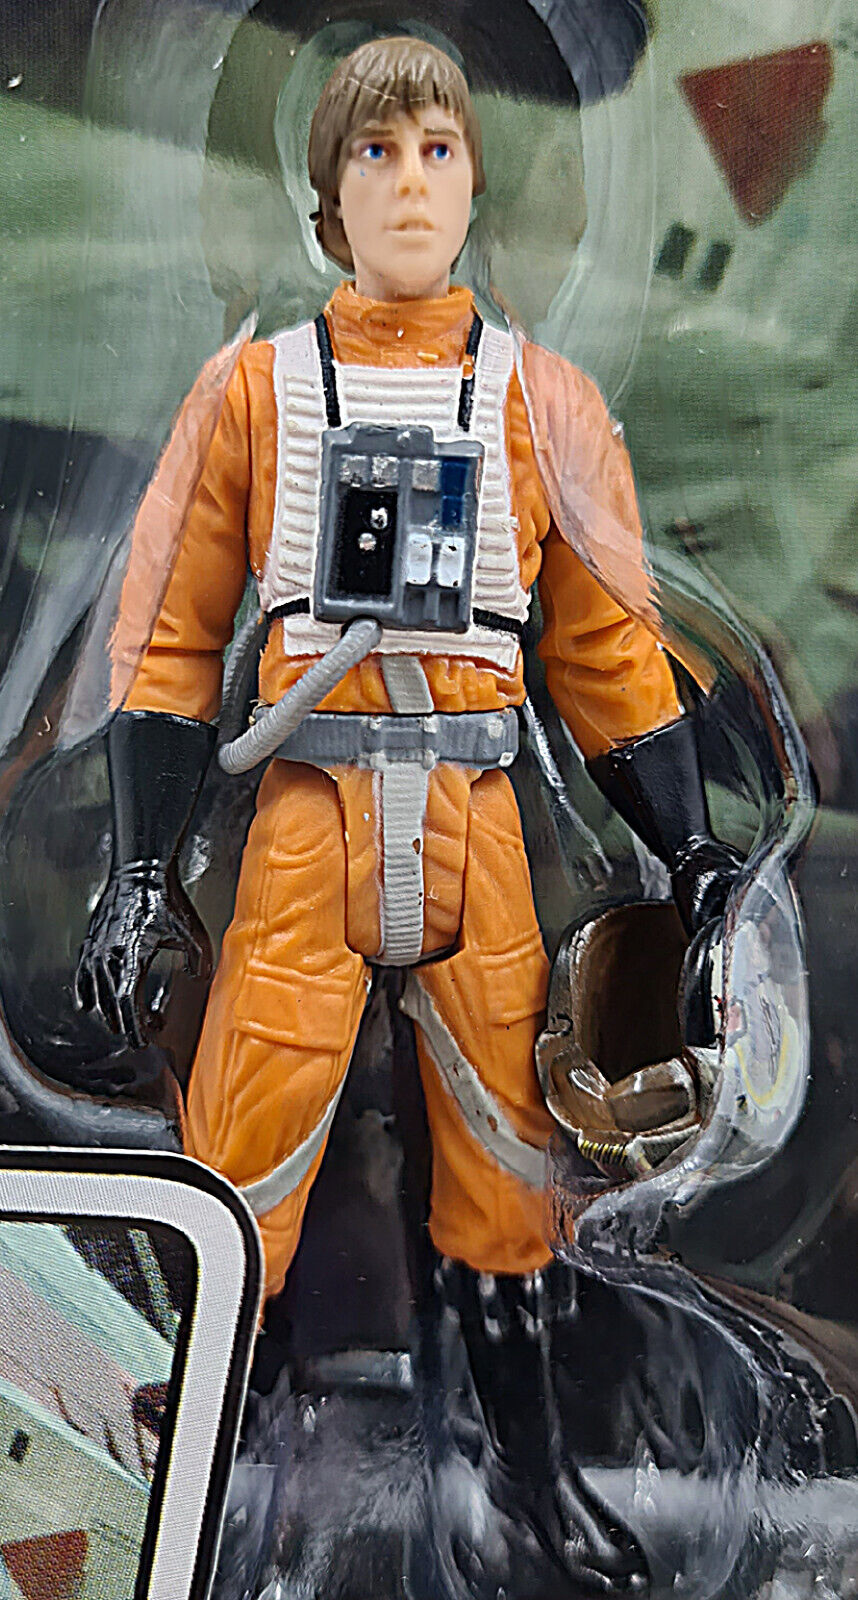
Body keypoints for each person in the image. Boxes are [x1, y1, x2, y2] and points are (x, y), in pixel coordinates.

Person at [77, 35, 741, 1596]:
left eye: (438, 150)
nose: (409, 182)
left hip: (476, 818)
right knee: (239, 1161)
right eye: (375, 154)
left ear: (477, 183)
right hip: (303, 823)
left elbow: (608, 652)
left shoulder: (538, 401)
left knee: (513, 1168)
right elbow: (167, 642)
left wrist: (694, 852)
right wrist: (140, 870)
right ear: (325, 200)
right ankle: (200, 1468)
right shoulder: (253, 395)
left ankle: (527, 1486)